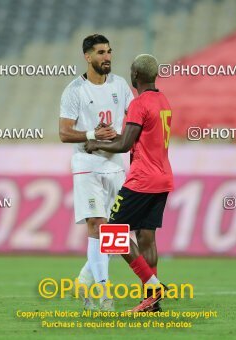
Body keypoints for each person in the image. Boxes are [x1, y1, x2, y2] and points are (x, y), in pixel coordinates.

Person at [85, 54, 173, 312]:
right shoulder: (162, 100)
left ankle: (153, 286)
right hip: (163, 177)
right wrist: (113, 134)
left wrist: (96, 143)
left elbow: (125, 145)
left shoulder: (139, 103)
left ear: (135, 76)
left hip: (142, 179)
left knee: (111, 234)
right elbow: (137, 137)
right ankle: (152, 302)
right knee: (147, 236)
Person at [59, 34, 134, 311]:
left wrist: (123, 137)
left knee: (117, 232)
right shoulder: (74, 90)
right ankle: (104, 295)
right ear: (87, 57)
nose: (107, 57)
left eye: (110, 52)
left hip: (116, 165)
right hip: (87, 166)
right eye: (101, 52)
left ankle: (83, 281)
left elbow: (134, 120)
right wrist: (93, 133)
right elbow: (64, 133)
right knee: (97, 226)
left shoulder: (121, 85)